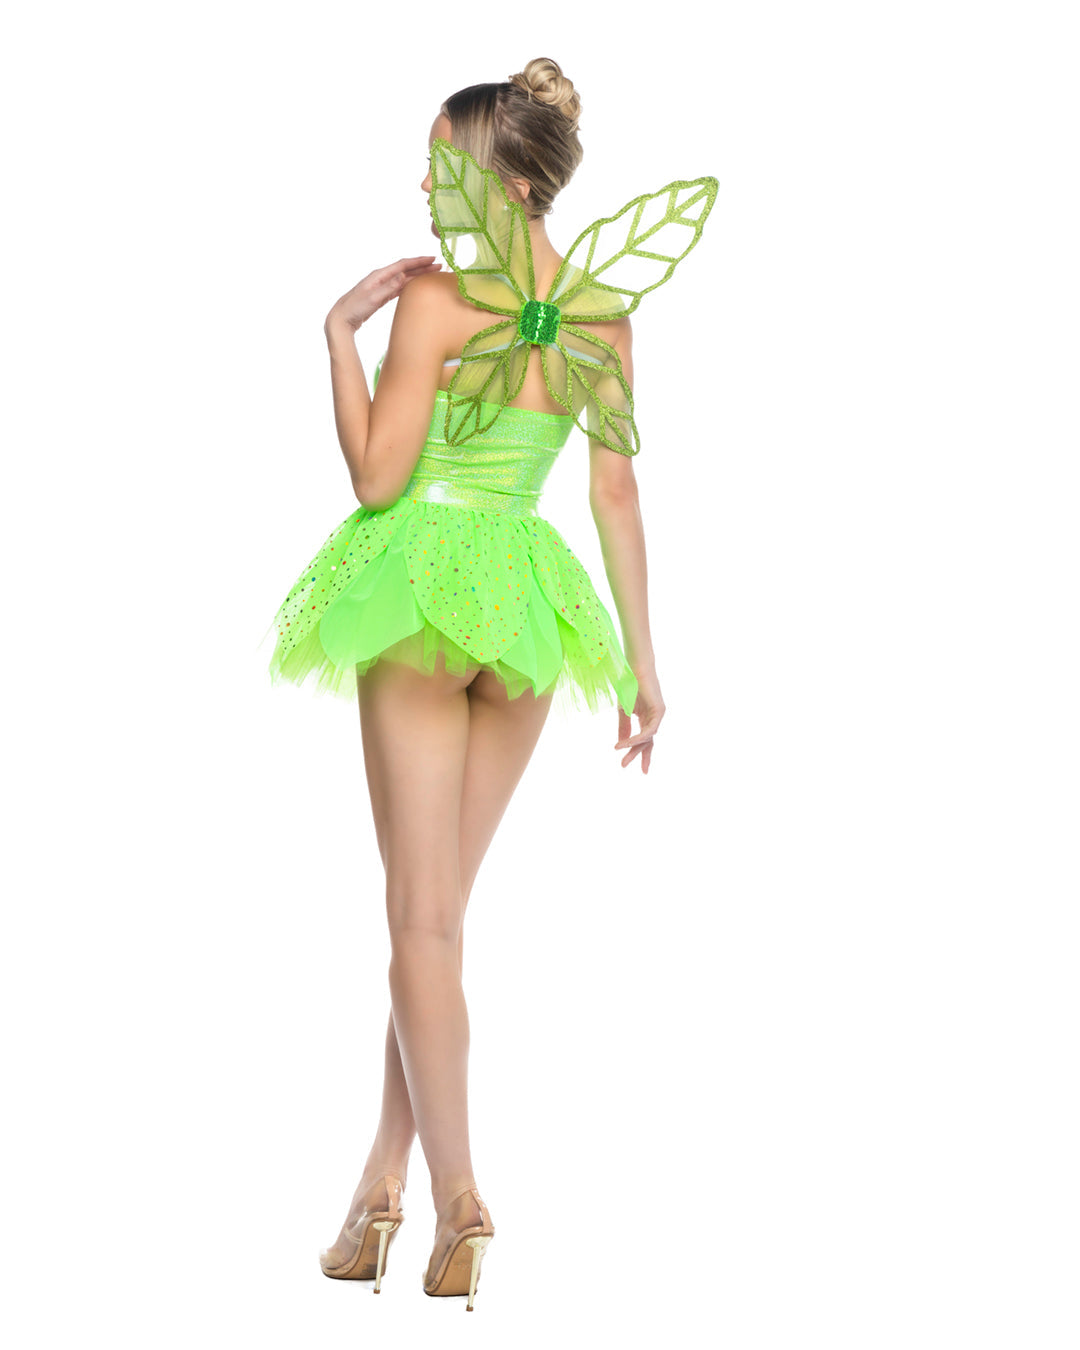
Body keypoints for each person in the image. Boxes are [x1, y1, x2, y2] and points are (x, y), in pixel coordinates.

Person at [263, 57, 716, 1309]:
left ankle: (460, 1196)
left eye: (442, 164)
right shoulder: (606, 316)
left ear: (508, 183)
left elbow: (377, 480)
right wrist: (643, 663)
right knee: (442, 924)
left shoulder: (434, 302)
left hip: (418, 592)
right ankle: (380, 1188)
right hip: (525, 603)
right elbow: (614, 493)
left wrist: (338, 337)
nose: (424, 184)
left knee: (421, 925)